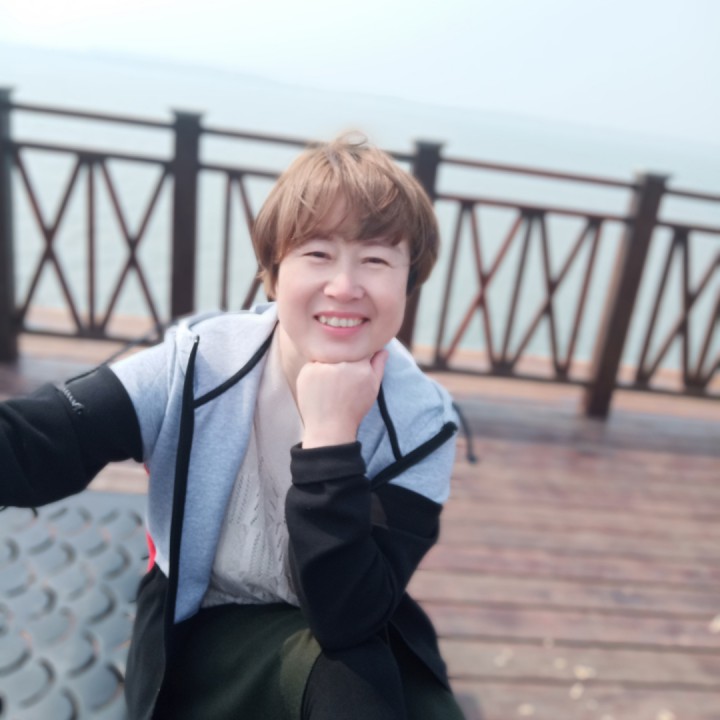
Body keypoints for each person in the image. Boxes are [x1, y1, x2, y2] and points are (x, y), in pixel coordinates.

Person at [0, 136, 465, 719]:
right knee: (348, 681)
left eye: (376, 260)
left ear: (407, 282)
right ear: (273, 273)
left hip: (349, 623)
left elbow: (348, 614)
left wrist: (330, 436)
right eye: (317, 253)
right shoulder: (199, 364)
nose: (345, 286)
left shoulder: (422, 424)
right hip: (208, 627)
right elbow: (40, 440)